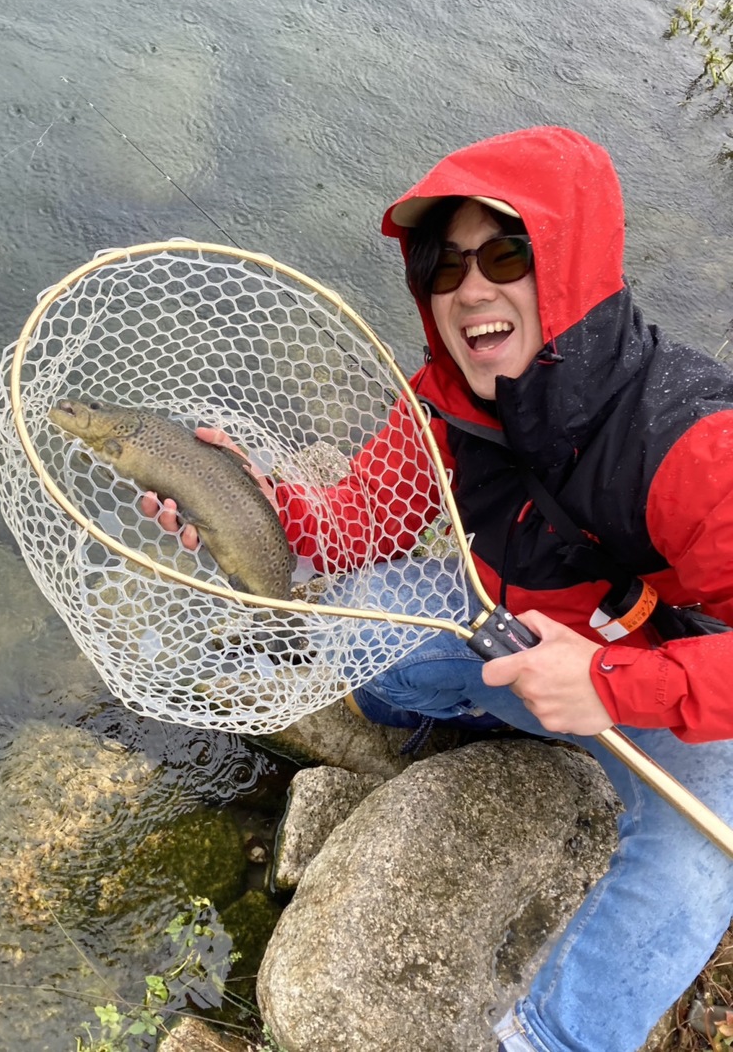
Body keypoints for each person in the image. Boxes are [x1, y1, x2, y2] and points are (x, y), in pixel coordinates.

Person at [147, 126, 733, 1051]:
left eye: (505, 253)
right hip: (510, 639)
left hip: (659, 692)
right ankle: (477, 725)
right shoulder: (448, 400)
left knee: (700, 861)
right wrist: (257, 504)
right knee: (357, 649)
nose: (471, 289)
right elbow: (354, 531)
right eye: (442, 265)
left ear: (574, 265)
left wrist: (616, 686)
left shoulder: (694, 447)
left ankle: (545, 1040)